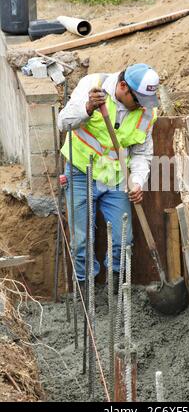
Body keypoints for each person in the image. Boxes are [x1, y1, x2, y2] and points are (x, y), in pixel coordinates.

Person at [57, 63, 159, 293]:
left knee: (123, 240)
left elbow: (142, 153)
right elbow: (62, 123)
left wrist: (137, 181)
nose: (142, 105)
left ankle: (115, 293)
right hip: (81, 172)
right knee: (81, 241)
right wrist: (87, 108)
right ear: (123, 87)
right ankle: (85, 291)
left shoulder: (145, 112)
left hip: (116, 178)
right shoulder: (93, 86)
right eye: (139, 99)